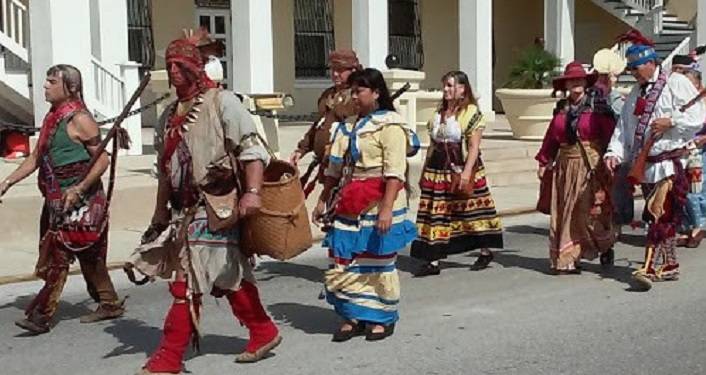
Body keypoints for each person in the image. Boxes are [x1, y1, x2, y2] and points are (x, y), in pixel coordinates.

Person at [129, 31, 280, 374]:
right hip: (183, 212)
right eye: (169, 65)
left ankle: (169, 357)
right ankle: (263, 329)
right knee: (225, 277)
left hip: (217, 205)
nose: (173, 71)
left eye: (179, 65)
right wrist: (158, 216)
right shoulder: (168, 115)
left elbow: (253, 149)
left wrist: (253, 193)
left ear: (195, 67)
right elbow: (165, 173)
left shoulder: (222, 102)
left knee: (188, 282)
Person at [0, 64, 124, 334]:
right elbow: (35, 158)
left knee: (59, 255)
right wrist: (7, 182)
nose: (45, 85)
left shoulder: (80, 119)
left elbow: (102, 160)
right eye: (46, 80)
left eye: (51, 80)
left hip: (81, 200)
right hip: (56, 199)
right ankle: (109, 302)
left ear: (70, 87)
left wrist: (79, 189)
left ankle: (41, 316)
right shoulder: (52, 118)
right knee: (88, 257)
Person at [312, 68, 418, 342]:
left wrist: (386, 208)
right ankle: (351, 315)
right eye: (353, 91)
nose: (354, 96)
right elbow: (334, 169)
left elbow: (395, 171)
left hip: (378, 201)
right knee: (345, 260)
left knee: (377, 260)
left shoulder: (390, 125)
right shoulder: (346, 126)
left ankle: (380, 317)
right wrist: (322, 200)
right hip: (349, 200)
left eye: (359, 91)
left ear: (376, 93)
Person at [604, 30, 706, 290]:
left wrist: (672, 121)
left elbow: (697, 117)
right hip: (646, 165)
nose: (634, 73)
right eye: (632, 69)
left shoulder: (676, 82)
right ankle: (670, 265)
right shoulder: (636, 92)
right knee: (661, 217)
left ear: (651, 63)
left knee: (660, 215)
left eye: (637, 68)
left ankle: (649, 267)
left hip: (670, 163)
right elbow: (623, 127)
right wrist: (614, 153)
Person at [410, 71, 503, 277]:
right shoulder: (438, 114)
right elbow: (433, 145)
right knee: (436, 213)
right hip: (437, 170)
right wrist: (424, 171)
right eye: (445, 86)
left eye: (450, 86)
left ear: (462, 89)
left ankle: (486, 250)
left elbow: (473, 146)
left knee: (470, 211)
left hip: (461, 168)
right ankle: (432, 260)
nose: (446, 90)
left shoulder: (471, 113)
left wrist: (467, 172)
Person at [536, 61, 617, 274]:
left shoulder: (598, 108)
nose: (576, 84)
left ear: (586, 82)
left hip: (591, 167)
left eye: (579, 80)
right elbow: (551, 138)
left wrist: (612, 160)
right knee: (566, 213)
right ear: (566, 85)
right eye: (572, 80)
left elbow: (611, 137)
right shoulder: (561, 111)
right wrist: (545, 161)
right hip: (565, 168)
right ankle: (568, 257)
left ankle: (605, 244)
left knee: (589, 214)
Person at [289, 50, 361, 196]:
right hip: (327, 165)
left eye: (340, 70)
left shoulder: (358, 96)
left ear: (353, 70)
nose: (335, 74)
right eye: (333, 70)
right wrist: (302, 149)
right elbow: (318, 125)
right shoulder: (327, 95)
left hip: (348, 166)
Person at [592, 49, 632, 237]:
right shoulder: (608, 97)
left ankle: (612, 224)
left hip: (607, 147)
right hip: (604, 146)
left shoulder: (603, 96)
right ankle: (613, 224)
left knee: (613, 188)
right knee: (613, 187)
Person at [671, 54, 706, 248]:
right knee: (681, 191)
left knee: (696, 191)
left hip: (699, 153)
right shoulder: (677, 99)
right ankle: (686, 226)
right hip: (681, 152)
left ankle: (698, 226)